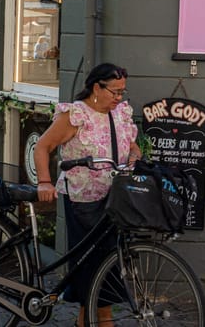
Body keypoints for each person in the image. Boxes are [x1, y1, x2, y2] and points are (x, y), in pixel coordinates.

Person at [33, 63, 142, 327]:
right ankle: (102, 320)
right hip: (83, 199)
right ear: (96, 87)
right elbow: (42, 146)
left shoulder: (120, 113)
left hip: (115, 197)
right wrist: (45, 182)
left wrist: (134, 159)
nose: (118, 98)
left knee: (109, 261)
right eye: (114, 92)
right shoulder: (76, 115)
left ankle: (90, 320)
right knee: (91, 263)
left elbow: (133, 148)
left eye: (122, 92)